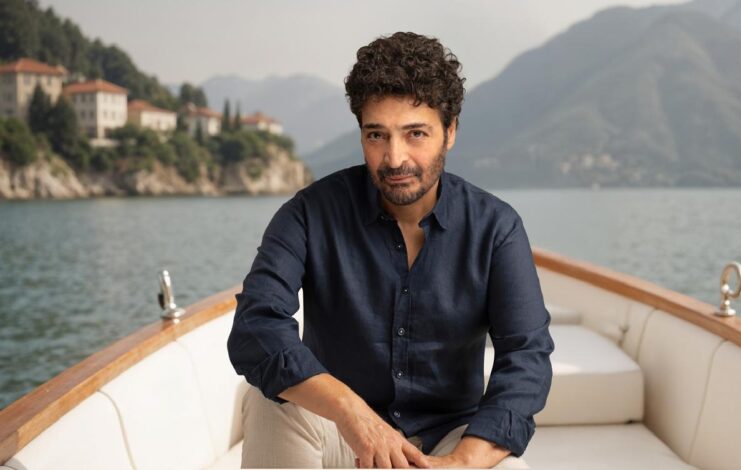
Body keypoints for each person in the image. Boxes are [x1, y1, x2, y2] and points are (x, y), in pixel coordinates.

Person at [227, 31, 554, 469]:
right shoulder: (310, 213)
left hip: (447, 440)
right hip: (341, 434)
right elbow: (256, 326)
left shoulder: (496, 228)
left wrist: (460, 463)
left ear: (450, 131)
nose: (394, 158)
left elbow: (526, 357)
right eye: (376, 135)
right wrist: (350, 411)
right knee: (268, 402)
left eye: (415, 133)